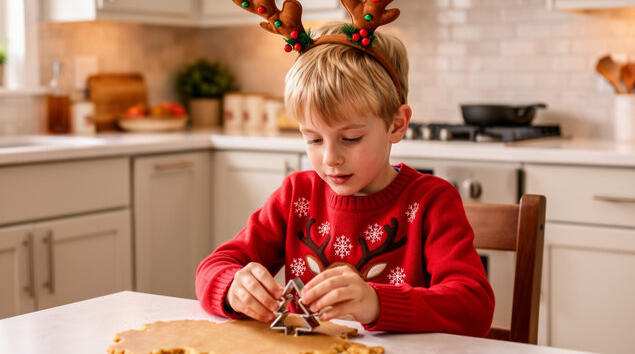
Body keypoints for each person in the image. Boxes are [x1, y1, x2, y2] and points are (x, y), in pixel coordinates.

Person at [196, 22, 495, 336]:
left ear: (396, 124)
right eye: (313, 139)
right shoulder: (297, 195)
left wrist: (375, 301)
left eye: (350, 138)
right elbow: (213, 267)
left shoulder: (431, 202)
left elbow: (474, 307)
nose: (329, 159)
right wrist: (233, 287)